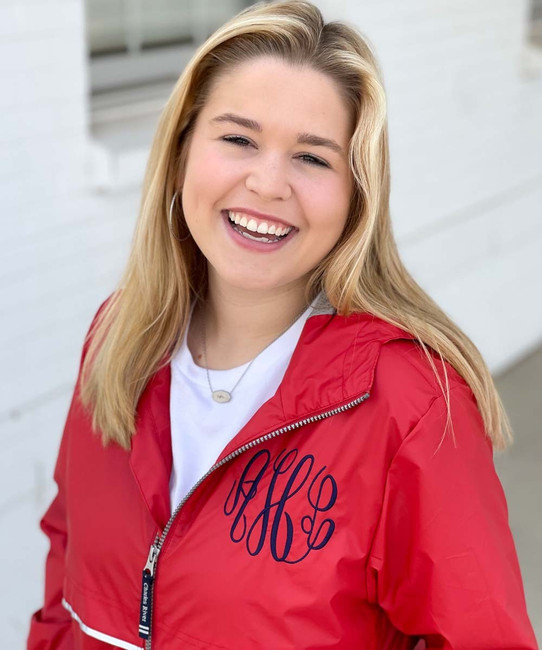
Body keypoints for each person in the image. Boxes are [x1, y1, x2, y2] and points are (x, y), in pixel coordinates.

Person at [28, 1, 538, 649]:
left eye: (313, 158)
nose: (268, 184)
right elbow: (68, 551)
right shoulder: (119, 334)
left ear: (357, 195)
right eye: (238, 139)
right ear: (182, 150)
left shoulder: (411, 404)